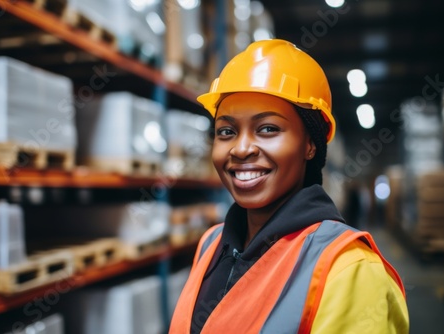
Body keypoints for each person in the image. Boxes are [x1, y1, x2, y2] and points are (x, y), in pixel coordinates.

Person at [169, 39, 409, 333]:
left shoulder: (349, 269)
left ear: (310, 144)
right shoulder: (211, 244)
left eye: (268, 128)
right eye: (226, 131)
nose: (241, 148)